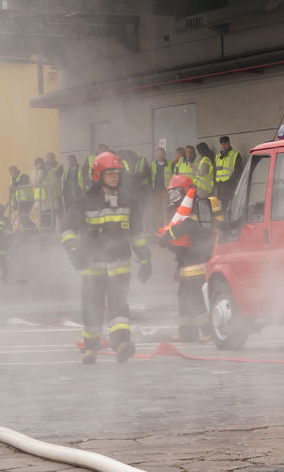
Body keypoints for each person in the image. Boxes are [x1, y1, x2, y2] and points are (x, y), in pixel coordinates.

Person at [61, 151, 152, 365]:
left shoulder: (129, 202)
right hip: (91, 266)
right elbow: (67, 230)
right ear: (98, 175)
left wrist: (145, 260)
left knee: (119, 308)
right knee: (91, 308)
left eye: (117, 173)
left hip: (120, 266)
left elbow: (137, 235)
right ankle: (91, 349)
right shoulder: (84, 202)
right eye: (110, 173)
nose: (114, 177)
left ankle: (121, 345)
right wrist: (74, 251)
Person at [157, 175, 219, 342]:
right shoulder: (183, 210)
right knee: (184, 298)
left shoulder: (198, 206)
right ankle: (187, 333)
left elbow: (191, 225)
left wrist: (169, 234)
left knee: (197, 298)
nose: (173, 199)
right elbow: (184, 244)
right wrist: (179, 266)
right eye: (171, 195)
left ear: (186, 192)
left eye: (176, 194)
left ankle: (208, 332)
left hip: (199, 261)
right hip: (188, 261)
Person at [215, 136, 243, 211]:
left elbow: (238, 170)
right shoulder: (218, 156)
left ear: (229, 143)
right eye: (221, 144)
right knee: (223, 208)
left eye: (225, 143)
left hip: (229, 186)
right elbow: (216, 171)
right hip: (220, 186)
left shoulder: (235, 154)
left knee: (231, 207)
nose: (223, 145)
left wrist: (230, 182)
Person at [150, 147, 173, 229]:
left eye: (162, 154)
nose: (160, 155)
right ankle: (159, 228)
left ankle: (167, 227)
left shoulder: (171, 164)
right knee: (158, 210)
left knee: (167, 209)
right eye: (158, 154)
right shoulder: (153, 165)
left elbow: (174, 176)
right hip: (156, 191)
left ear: (165, 155)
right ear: (156, 155)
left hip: (167, 191)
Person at [8, 165, 36, 230]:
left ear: (17, 170)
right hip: (20, 201)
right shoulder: (13, 179)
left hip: (28, 200)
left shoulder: (24, 176)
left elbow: (22, 183)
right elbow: (13, 191)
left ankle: (33, 230)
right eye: (11, 173)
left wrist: (14, 185)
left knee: (23, 217)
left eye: (14, 172)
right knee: (22, 217)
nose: (13, 174)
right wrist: (15, 203)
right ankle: (30, 230)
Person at [45, 152, 65, 227]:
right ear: (46, 158)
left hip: (57, 192)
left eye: (52, 157)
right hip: (47, 194)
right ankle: (51, 229)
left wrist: (49, 168)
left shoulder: (59, 166)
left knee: (59, 212)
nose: (50, 159)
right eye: (49, 157)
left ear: (54, 158)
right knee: (50, 213)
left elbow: (59, 174)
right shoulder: (43, 166)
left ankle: (62, 228)